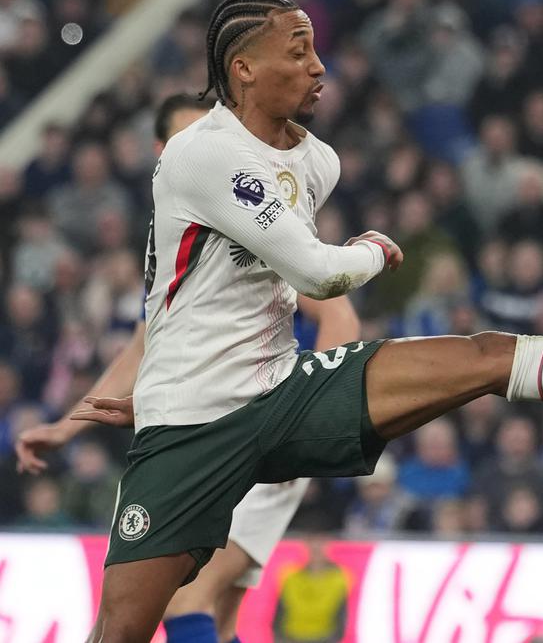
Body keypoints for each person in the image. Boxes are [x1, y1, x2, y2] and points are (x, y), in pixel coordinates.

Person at [71, 0, 543, 643]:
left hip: (282, 392)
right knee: (124, 629)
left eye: (318, 48)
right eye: (299, 53)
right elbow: (321, 270)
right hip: (192, 425)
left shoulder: (315, 159)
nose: (321, 67)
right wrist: (372, 249)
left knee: (484, 356)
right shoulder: (199, 157)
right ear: (243, 71)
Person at [15, 93, 362, 643]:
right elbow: (142, 347)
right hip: (207, 432)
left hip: (251, 427)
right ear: (162, 152)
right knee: (212, 617)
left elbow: (337, 311)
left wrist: (304, 418)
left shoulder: (250, 219)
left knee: (179, 602)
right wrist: (68, 425)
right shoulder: (175, 234)